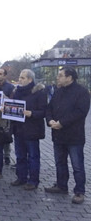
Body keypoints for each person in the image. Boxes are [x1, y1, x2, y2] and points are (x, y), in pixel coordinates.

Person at [44, 67, 90, 204]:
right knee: (60, 163)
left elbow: (80, 112)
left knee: (77, 165)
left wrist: (62, 123)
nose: (58, 78)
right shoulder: (58, 91)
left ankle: (79, 191)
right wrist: (50, 120)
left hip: (74, 136)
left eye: (60, 75)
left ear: (69, 78)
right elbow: (49, 108)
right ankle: (61, 185)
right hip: (58, 134)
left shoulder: (81, 92)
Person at [10, 69, 47, 190]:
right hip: (18, 129)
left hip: (32, 130)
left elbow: (43, 111)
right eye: (20, 77)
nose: (20, 80)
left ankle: (33, 180)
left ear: (30, 79)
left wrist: (31, 113)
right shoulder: (17, 92)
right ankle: (21, 177)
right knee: (20, 155)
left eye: (22, 78)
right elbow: (13, 107)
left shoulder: (39, 92)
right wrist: (6, 110)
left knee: (33, 156)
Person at [0, 67, 15, 166]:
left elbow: (12, 101)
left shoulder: (10, 87)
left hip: (6, 115)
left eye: (0, 74)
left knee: (6, 135)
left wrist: (3, 97)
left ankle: (7, 155)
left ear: (4, 75)